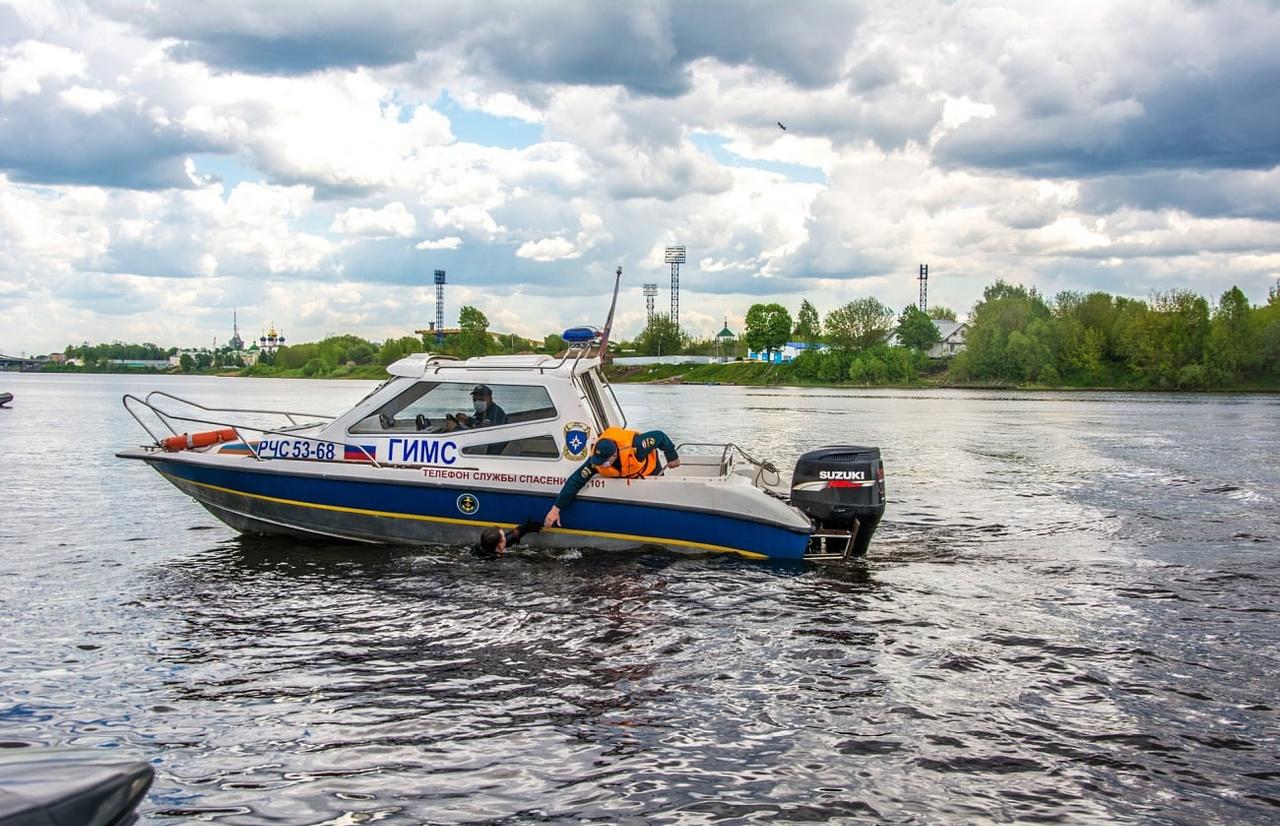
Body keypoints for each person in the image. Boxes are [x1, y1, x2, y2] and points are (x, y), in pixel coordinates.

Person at [543, 427, 680, 527]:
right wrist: (555, 509)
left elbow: (659, 436)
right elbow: (576, 480)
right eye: (598, 461)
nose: (600, 465)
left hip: (649, 470)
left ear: (614, 455)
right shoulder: (596, 461)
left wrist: (672, 455)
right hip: (626, 476)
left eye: (603, 461)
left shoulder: (637, 446)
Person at [470, 519, 542, 558]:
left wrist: (523, 530)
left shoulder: (478, 548)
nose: (505, 537)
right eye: (504, 536)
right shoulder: (499, 559)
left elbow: (507, 540)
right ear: (500, 545)